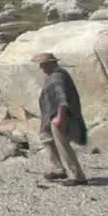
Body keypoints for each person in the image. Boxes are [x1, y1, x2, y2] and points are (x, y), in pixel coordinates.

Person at [34, 51, 88, 186]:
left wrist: (60, 117)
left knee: (62, 144)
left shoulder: (57, 77)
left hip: (61, 116)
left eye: (43, 64)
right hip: (50, 116)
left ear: (51, 63)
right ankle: (58, 169)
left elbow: (62, 100)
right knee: (46, 138)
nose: (41, 67)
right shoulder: (52, 75)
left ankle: (78, 176)